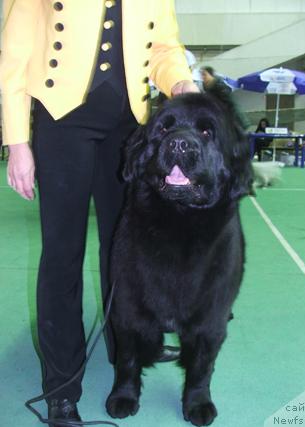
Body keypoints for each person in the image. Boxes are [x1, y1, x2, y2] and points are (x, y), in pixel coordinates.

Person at [0, 1, 199, 425]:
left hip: (130, 124)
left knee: (126, 252)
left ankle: (128, 346)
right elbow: (14, 53)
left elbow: (163, 47)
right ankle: (61, 385)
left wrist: (180, 82)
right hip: (61, 118)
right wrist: (17, 141)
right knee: (62, 255)